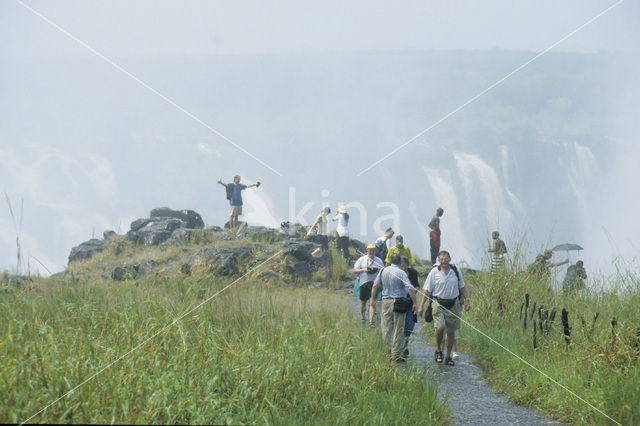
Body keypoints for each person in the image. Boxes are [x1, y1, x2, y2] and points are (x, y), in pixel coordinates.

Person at [418, 250, 470, 366]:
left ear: (450, 259)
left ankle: (448, 357)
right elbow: (427, 290)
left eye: (445, 259)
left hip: (453, 304)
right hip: (438, 303)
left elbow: (462, 287)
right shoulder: (434, 272)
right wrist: (421, 306)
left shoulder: (455, 271)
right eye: (441, 259)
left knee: (451, 332)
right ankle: (438, 350)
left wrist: (467, 300)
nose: (444, 261)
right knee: (440, 327)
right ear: (438, 260)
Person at [371, 252, 418, 363]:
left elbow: (375, 285)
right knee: (398, 329)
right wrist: (415, 303)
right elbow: (410, 289)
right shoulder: (401, 273)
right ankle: (395, 354)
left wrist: (373, 299)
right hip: (399, 302)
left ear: (391, 261)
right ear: (399, 261)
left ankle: (386, 352)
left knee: (386, 328)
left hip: (385, 301)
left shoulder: (383, 270)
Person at [353, 244, 384, 325]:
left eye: (373, 250)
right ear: (367, 251)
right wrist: (364, 270)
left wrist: (378, 269)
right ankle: (363, 318)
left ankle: (371, 321)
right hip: (364, 283)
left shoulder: (379, 260)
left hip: (374, 284)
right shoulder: (362, 259)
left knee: (372, 302)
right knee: (363, 302)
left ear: (375, 251)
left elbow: (383, 271)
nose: (371, 252)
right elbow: (354, 270)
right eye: (370, 250)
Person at [399, 256, 419, 358]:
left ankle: (405, 344)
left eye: (404, 265)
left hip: (411, 302)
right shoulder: (397, 273)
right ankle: (402, 348)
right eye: (401, 265)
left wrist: (415, 289)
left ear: (407, 264)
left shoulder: (413, 272)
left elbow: (416, 285)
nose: (403, 267)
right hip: (400, 302)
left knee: (410, 326)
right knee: (400, 325)